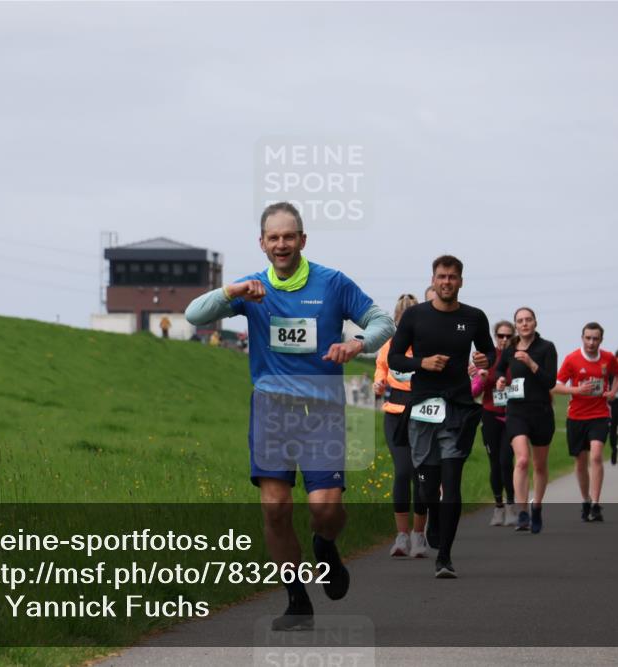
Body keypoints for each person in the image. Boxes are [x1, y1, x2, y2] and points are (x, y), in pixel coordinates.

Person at [184, 202, 394, 630]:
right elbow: (193, 315)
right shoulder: (252, 289)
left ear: (302, 240)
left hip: (323, 408)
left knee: (325, 510)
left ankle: (325, 544)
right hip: (271, 409)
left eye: (289, 236)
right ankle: (297, 599)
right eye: (273, 237)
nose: (281, 244)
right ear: (262, 243)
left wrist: (357, 344)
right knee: (275, 508)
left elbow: (381, 321)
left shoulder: (332, 283)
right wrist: (231, 292)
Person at [388, 255, 495, 578]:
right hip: (422, 408)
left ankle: (444, 556)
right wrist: (422, 364)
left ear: (461, 281)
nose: (446, 282)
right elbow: (394, 358)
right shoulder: (415, 317)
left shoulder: (474, 317)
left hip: (458, 408)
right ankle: (432, 519)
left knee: (452, 482)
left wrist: (484, 358)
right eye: (441, 277)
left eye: (452, 277)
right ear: (433, 280)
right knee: (426, 487)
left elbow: (489, 351)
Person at [373, 293, 428, 558]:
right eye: (400, 320)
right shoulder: (388, 346)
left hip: (422, 414)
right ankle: (402, 536)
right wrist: (378, 383)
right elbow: (380, 372)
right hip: (394, 414)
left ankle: (419, 535)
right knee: (403, 472)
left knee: (421, 476)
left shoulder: (426, 346)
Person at [494, 307, 558, 533]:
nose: (524, 324)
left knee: (539, 465)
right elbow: (500, 369)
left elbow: (550, 381)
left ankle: (537, 506)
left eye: (528, 320)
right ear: (516, 325)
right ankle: (522, 512)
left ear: (535, 323)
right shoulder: (510, 348)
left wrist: (531, 363)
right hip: (516, 411)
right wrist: (501, 380)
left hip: (541, 411)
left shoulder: (547, 348)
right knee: (521, 460)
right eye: (520, 321)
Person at [552, 322, 618, 523]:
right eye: (588, 338)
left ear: (601, 340)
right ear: (582, 338)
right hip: (576, 416)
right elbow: (556, 386)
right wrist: (575, 390)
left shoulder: (608, 358)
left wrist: (613, 392)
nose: (591, 342)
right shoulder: (572, 359)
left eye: (595, 338)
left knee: (597, 455)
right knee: (580, 462)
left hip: (600, 414)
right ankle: (585, 500)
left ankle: (596, 504)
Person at [477, 320, 518, 526]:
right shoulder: (487, 357)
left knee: (506, 461)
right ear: (495, 336)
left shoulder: (517, 357)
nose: (504, 340)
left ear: (514, 337)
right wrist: (481, 379)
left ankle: (511, 506)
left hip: (513, 416)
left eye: (508, 336)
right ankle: (498, 507)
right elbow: (474, 389)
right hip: (490, 414)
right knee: (494, 463)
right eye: (500, 336)